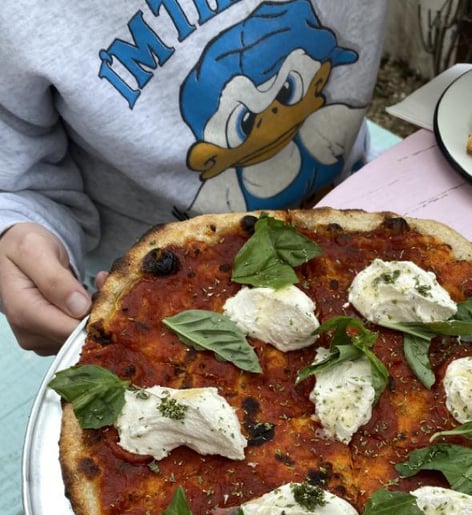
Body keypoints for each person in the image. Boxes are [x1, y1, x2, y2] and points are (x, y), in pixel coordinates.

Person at [0, 0, 388, 355]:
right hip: (171, 305)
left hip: (360, 211)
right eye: (248, 117)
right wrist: (16, 234)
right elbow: (15, 182)